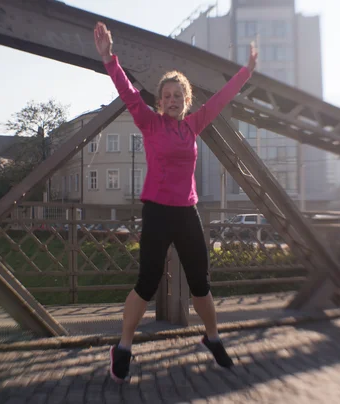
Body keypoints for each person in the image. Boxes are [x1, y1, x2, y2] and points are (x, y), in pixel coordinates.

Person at [93, 21, 258, 383]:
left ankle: (212, 337)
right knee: (147, 282)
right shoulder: (149, 123)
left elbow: (221, 98)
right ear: (160, 101)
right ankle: (123, 346)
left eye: (177, 96)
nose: (171, 100)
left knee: (200, 281)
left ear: (186, 102)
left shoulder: (194, 125)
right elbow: (127, 92)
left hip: (187, 212)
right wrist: (109, 59)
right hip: (156, 211)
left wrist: (245, 72)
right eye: (166, 95)